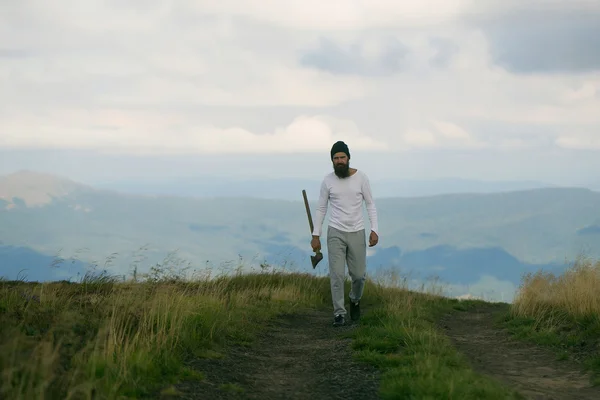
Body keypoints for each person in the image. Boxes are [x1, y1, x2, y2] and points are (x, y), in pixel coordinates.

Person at [311, 140, 379, 327]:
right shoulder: (328, 181)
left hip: (357, 231)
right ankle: (339, 313)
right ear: (332, 161)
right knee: (337, 275)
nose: (339, 161)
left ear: (348, 158)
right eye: (336, 158)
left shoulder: (361, 178)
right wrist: (316, 234)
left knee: (358, 275)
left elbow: (370, 204)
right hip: (335, 232)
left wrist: (374, 230)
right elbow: (321, 208)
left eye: (342, 157)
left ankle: (354, 299)